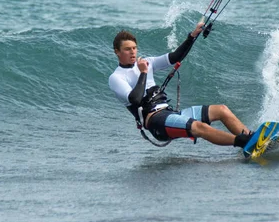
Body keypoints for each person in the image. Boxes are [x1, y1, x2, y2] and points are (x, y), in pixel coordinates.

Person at [109, 23, 254, 149]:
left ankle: (251, 140)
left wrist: (192, 36)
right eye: (128, 49)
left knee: (222, 110)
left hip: (170, 113)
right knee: (200, 127)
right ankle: (243, 142)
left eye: (134, 48)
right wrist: (144, 72)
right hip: (156, 121)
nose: (133, 51)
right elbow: (135, 99)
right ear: (117, 52)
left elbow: (175, 57)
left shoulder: (147, 62)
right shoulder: (117, 77)